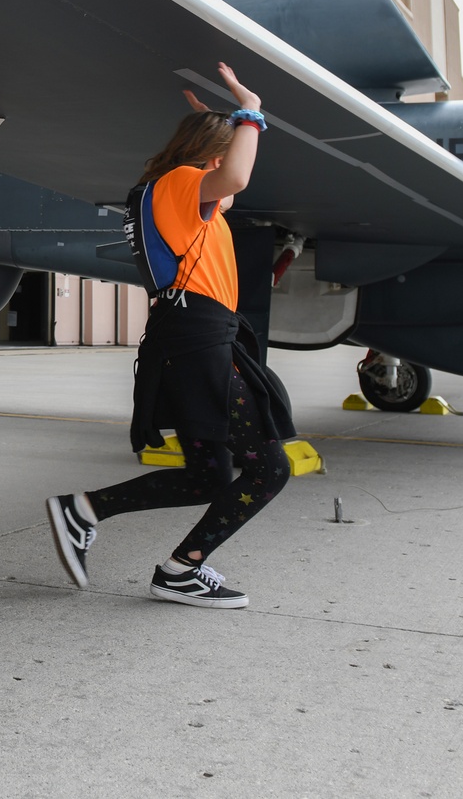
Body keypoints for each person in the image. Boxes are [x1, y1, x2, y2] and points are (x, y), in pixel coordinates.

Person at [45, 63, 293, 610]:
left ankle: (83, 511)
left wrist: (220, 123)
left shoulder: (175, 197)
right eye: (230, 150)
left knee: (206, 478)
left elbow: (227, 191)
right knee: (271, 467)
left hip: (192, 336)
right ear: (213, 156)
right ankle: (181, 570)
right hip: (198, 337)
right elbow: (236, 180)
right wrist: (250, 108)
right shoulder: (181, 183)